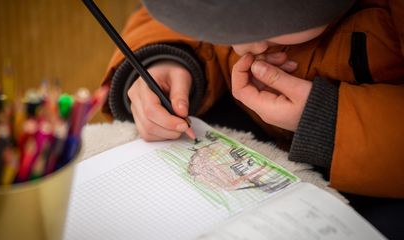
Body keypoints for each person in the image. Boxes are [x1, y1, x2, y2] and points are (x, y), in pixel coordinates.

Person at [101, 0, 404, 198]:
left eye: (273, 27)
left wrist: (328, 122)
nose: (245, 46)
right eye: (220, 29)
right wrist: (167, 59)